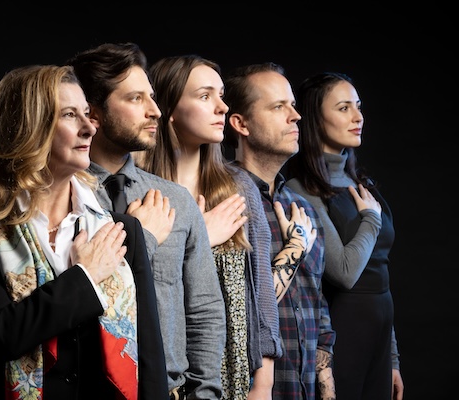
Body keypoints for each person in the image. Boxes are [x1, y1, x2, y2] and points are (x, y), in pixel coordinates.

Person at [0, 64, 168, 400]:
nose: (89, 129)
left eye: (87, 114)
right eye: (68, 115)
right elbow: (5, 335)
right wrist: (86, 275)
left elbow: (149, 362)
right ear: (26, 129)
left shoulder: (123, 231)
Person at [139, 54, 316, 400]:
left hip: (235, 375)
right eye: (206, 97)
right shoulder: (141, 190)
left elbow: (260, 297)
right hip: (162, 372)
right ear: (168, 108)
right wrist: (199, 236)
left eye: (221, 95)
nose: (221, 107)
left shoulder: (238, 188)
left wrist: (262, 385)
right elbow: (137, 286)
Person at [67, 43, 227, 399]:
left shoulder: (176, 202)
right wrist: (141, 238)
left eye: (152, 98)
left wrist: (204, 395)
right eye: (136, 99)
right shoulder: (62, 199)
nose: (154, 111)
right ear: (93, 114)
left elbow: (204, 310)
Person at [286, 71, 404, 400]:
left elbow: (380, 273)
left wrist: (392, 359)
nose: (357, 116)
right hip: (342, 332)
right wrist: (370, 219)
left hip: (379, 335)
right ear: (314, 119)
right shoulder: (301, 190)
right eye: (343, 108)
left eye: (358, 106)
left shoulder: (361, 184)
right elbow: (345, 271)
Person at [223, 62, 336, 400]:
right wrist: (295, 248)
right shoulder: (224, 199)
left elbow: (318, 306)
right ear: (241, 124)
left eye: (292, 105)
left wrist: (327, 389)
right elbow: (237, 310)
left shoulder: (299, 207)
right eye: (278, 107)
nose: (296, 116)